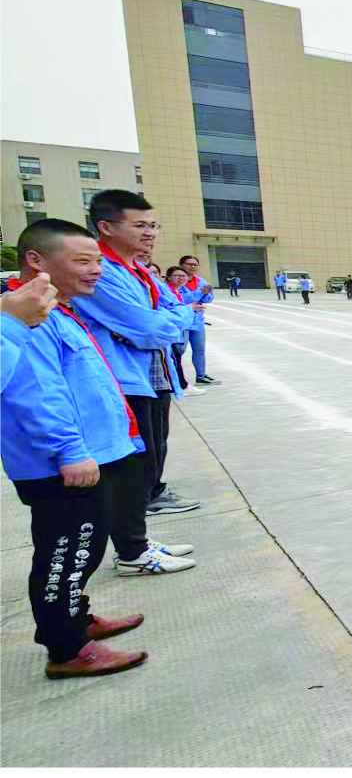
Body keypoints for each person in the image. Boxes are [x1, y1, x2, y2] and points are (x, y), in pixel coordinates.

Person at [5, 222, 154, 680]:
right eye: (83, 261)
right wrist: (69, 451)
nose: (96, 270)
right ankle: (66, 648)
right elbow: (37, 394)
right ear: (37, 261)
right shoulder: (31, 318)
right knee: (65, 554)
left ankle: (77, 619)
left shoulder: (59, 310)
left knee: (81, 551)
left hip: (86, 453)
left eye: (98, 261)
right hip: (60, 463)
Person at [74, 191, 193, 571]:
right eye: (140, 225)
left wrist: (164, 320)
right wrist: (159, 322)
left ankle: (137, 540)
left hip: (154, 376)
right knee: (130, 468)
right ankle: (132, 553)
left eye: (152, 225)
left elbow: (175, 316)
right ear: (106, 227)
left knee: (151, 458)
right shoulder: (103, 272)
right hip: (124, 380)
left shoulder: (136, 270)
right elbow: (147, 328)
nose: (150, 233)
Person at [166, 256, 211, 389]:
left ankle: (201, 375)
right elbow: (182, 299)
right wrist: (199, 293)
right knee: (179, 350)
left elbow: (208, 297)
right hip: (183, 322)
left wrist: (206, 293)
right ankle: (176, 378)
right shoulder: (177, 282)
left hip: (197, 321)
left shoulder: (200, 281)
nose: (193, 267)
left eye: (195, 264)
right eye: (189, 264)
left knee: (199, 349)